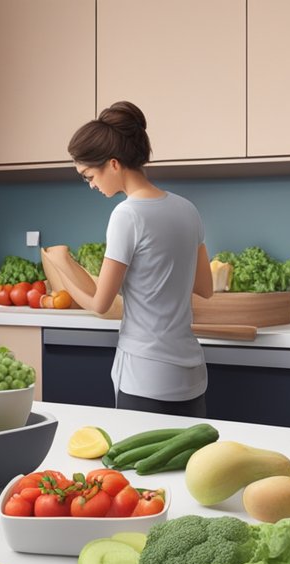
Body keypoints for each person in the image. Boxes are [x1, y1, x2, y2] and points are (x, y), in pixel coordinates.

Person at [41, 101, 213, 417]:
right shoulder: (188, 209)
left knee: (138, 467)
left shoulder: (127, 215)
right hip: (191, 373)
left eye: (89, 175)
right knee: (189, 465)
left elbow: (100, 304)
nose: (91, 184)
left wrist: (61, 268)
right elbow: (205, 287)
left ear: (114, 164)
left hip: (145, 375)